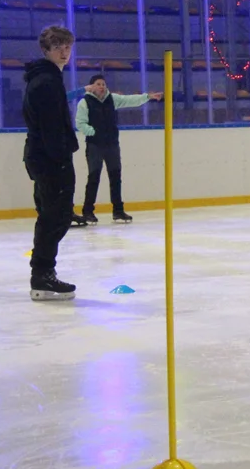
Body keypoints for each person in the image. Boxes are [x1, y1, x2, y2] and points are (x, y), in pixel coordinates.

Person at [23, 25, 80, 300]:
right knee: (55, 216)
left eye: (67, 46)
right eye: (58, 47)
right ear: (46, 50)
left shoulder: (48, 78)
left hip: (44, 156)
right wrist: (59, 158)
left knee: (54, 215)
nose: (64, 52)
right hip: (49, 158)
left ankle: (43, 272)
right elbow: (50, 126)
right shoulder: (46, 81)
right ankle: (42, 275)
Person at [75, 74, 163, 224]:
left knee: (115, 177)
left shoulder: (112, 99)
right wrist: (92, 131)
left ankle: (118, 211)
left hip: (112, 144)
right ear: (91, 87)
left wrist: (147, 96)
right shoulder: (84, 102)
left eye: (103, 84)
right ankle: (88, 211)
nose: (102, 86)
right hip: (94, 145)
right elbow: (80, 123)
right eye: (98, 84)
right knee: (94, 178)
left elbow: (129, 100)